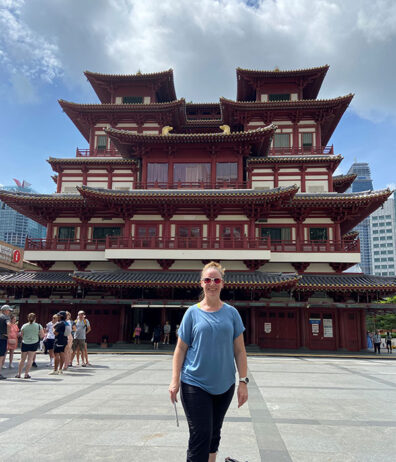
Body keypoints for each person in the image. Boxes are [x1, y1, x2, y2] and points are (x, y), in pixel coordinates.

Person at [169, 261, 248, 462]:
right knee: (200, 435)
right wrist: (174, 380)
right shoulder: (192, 313)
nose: (212, 283)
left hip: (225, 384)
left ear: (222, 283)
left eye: (216, 279)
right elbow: (180, 348)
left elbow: (239, 351)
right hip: (195, 382)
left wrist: (243, 382)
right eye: (207, 279)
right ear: (201, 283)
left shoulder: (232, 313)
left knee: (214, 432)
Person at [15, 313, 44, 379]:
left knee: (22, 359)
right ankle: (26, 374)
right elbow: (42, 335)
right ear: (35, 318)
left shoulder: (24, 326)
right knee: (30, 359)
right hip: (34, 343)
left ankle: (19, 374)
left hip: (25, 343)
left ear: (28, 318)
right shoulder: (39, 326)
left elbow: (21, 335)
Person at [0, 305, 12, 379]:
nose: (9, 312)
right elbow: (9, 324)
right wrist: (8, 334)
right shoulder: (6, 317)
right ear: (5, 310)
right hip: (2, 338)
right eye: (8, 310)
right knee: (1, 357)